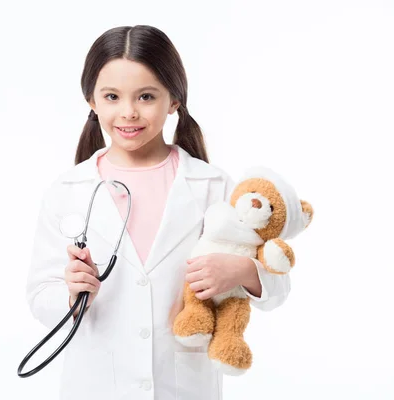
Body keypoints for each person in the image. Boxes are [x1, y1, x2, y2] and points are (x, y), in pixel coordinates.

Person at [25, 25, 291, 400]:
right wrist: (72, 294)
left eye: (146, 96)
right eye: (112, 96)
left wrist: (245, 271)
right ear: (91, 101)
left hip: (182, 386)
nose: (128, 112)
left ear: (174, 101)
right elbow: (39, 295)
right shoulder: (68, 191)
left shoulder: (213, 185)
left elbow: (279, 286)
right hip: (98, 384)